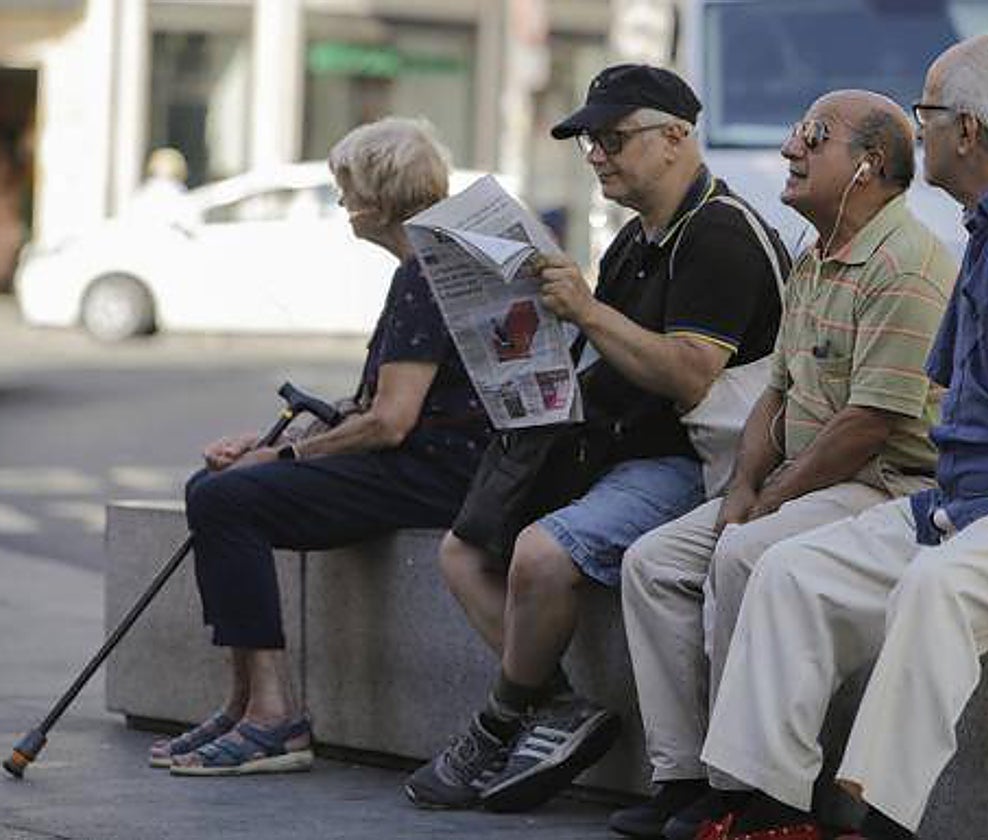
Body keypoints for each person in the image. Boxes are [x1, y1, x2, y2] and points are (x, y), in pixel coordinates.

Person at [697, 32, 988, 840]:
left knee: (937, 587)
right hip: (977, 502)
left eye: (924, 115)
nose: (915, 134)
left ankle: (875, 819)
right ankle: (770, 812)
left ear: (968, 131)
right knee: (789, 571)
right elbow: (951, 383)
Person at [404, 64, 788, 811]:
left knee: (542, 555)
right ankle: (557, 708)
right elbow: (603, 353)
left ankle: (498, 721)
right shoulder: (635, 239)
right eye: (589, 142)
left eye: (614, 137)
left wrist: (584, 310)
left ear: (677, 138)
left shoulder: (718, 235)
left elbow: (689, 376)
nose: (598, 155)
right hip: (609, 445)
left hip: (697, 462)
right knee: (462, 550)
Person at [612, 90, 957, 840]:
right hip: (802, 481)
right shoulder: (815, 255)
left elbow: (870, 424)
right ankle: (684, 777)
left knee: (744, 552)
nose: (789, 150)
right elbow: (775, 393)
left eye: (812, 137)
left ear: (867, 167)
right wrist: (742, 485)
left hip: (882, 487)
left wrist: (765, 502)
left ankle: (759, 795)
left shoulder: (907, 265)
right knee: (651, 562)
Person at [152, 117, 492, 776]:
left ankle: (275, 717)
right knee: (212, 489)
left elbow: (391, 422)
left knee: (228, 502)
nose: (340, 204)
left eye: (345, 189)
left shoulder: (425, 273)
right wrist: (275, 439)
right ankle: (245, 700)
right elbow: (377, 406)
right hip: (434, 461)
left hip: (437, 472)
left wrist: (280, 457)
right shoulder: (435, 261)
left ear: (375, 201)